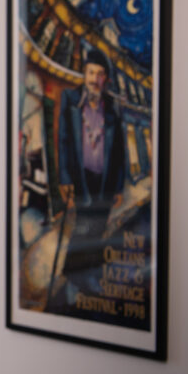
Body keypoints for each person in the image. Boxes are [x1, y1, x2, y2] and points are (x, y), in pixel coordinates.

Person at [50, 47, 126, 313]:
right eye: (91, 72)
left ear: (106, 79)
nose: (95, 79)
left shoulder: (113, 107)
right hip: (81, 177)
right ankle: (73, 276)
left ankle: (85, 275)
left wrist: (119, 184)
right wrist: (65, 178)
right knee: (83, 225)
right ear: (84, 73)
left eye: (100, 74)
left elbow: (120, 151)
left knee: (98, 225)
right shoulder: (70, 98)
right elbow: (63, 141)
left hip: (104, 179)